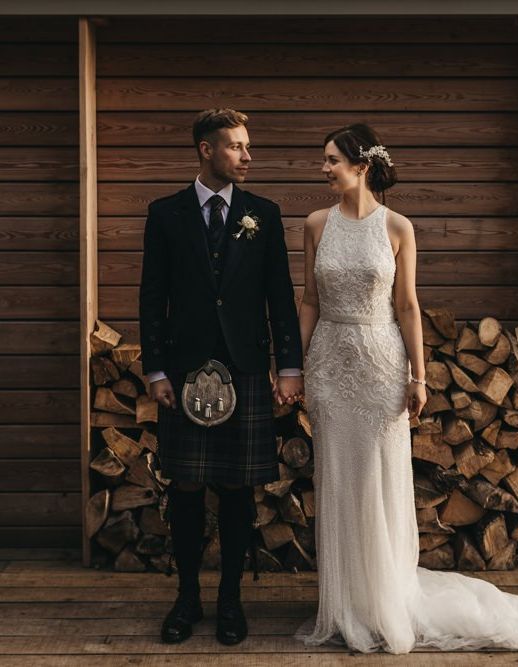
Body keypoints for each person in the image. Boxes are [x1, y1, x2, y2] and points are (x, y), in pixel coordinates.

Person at [296, 123, 518, 654]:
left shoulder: (398, 227)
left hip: (381, 363)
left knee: (379, 479)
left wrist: (418, 376)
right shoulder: (315, 224)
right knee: (337, 477)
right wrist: (289, 362)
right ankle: (347, 604)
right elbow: (309, 299)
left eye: (332, 159)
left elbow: (406, 305)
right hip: (329, 365)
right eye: (324, 159)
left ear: (360, 166)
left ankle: (385, 601)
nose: (324, 168)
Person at [138, 108, 304, 646]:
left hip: (247, 366)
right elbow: (151, 295)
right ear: (206, 150)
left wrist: (290, 365)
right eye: (235, 146)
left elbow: (281, 295)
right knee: (185, 487)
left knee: (237, 488)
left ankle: (231, 600)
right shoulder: (165, 213)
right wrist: (156, 368)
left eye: (247, 145)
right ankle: (187, 597)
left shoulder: (265, 213)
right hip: (184, 369)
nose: (247, 155)